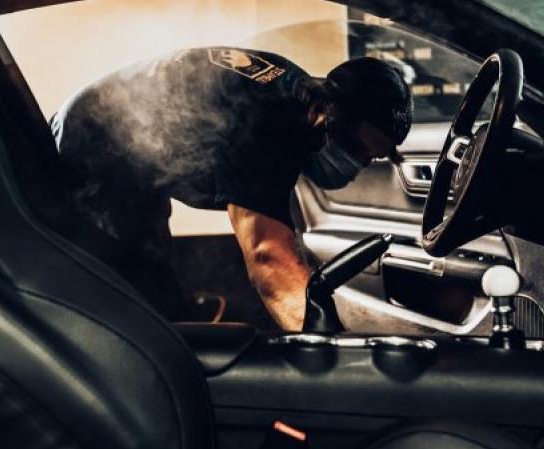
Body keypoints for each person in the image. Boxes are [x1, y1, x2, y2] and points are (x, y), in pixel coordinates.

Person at [51, 47, 413, 331]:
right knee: (121, 289)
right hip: (93, 144)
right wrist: (329, 350)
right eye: (359, 150)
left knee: (153, 267)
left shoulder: (300, 98)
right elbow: (269, 260)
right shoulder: (265, 122)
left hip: (138, 153)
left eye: (373, 158)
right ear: (323, 113)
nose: (360, 165)